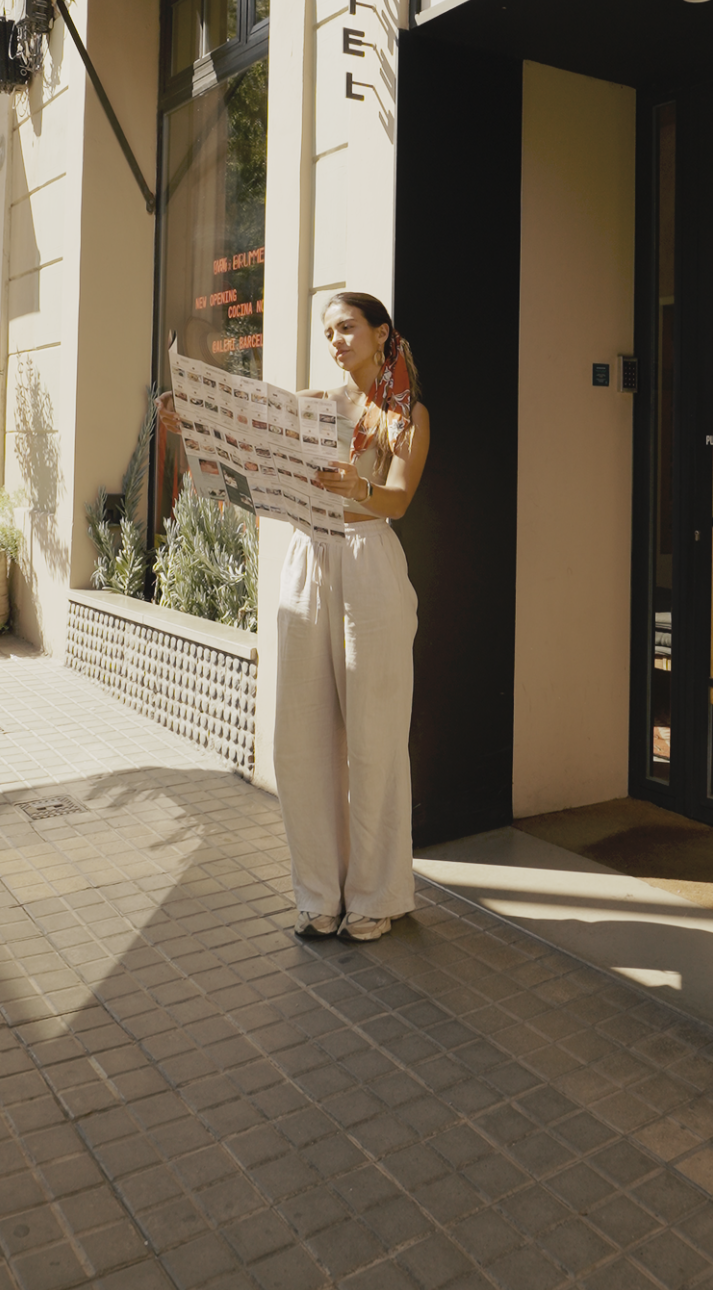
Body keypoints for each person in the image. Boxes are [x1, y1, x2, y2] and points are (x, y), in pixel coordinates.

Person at [275, 292, 429, 942]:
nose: (336, 340)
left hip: (368, 564)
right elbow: (255, 435)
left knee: (374, 739)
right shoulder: (317, 405)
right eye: (328, 331)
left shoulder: (406, 413)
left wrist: (354, 487)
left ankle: (376, 896)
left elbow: (396, 500)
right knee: (302, 736)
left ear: (380, 333)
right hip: (310, 559)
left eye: (347, 328)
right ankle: (318, 895)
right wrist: (189, 421)